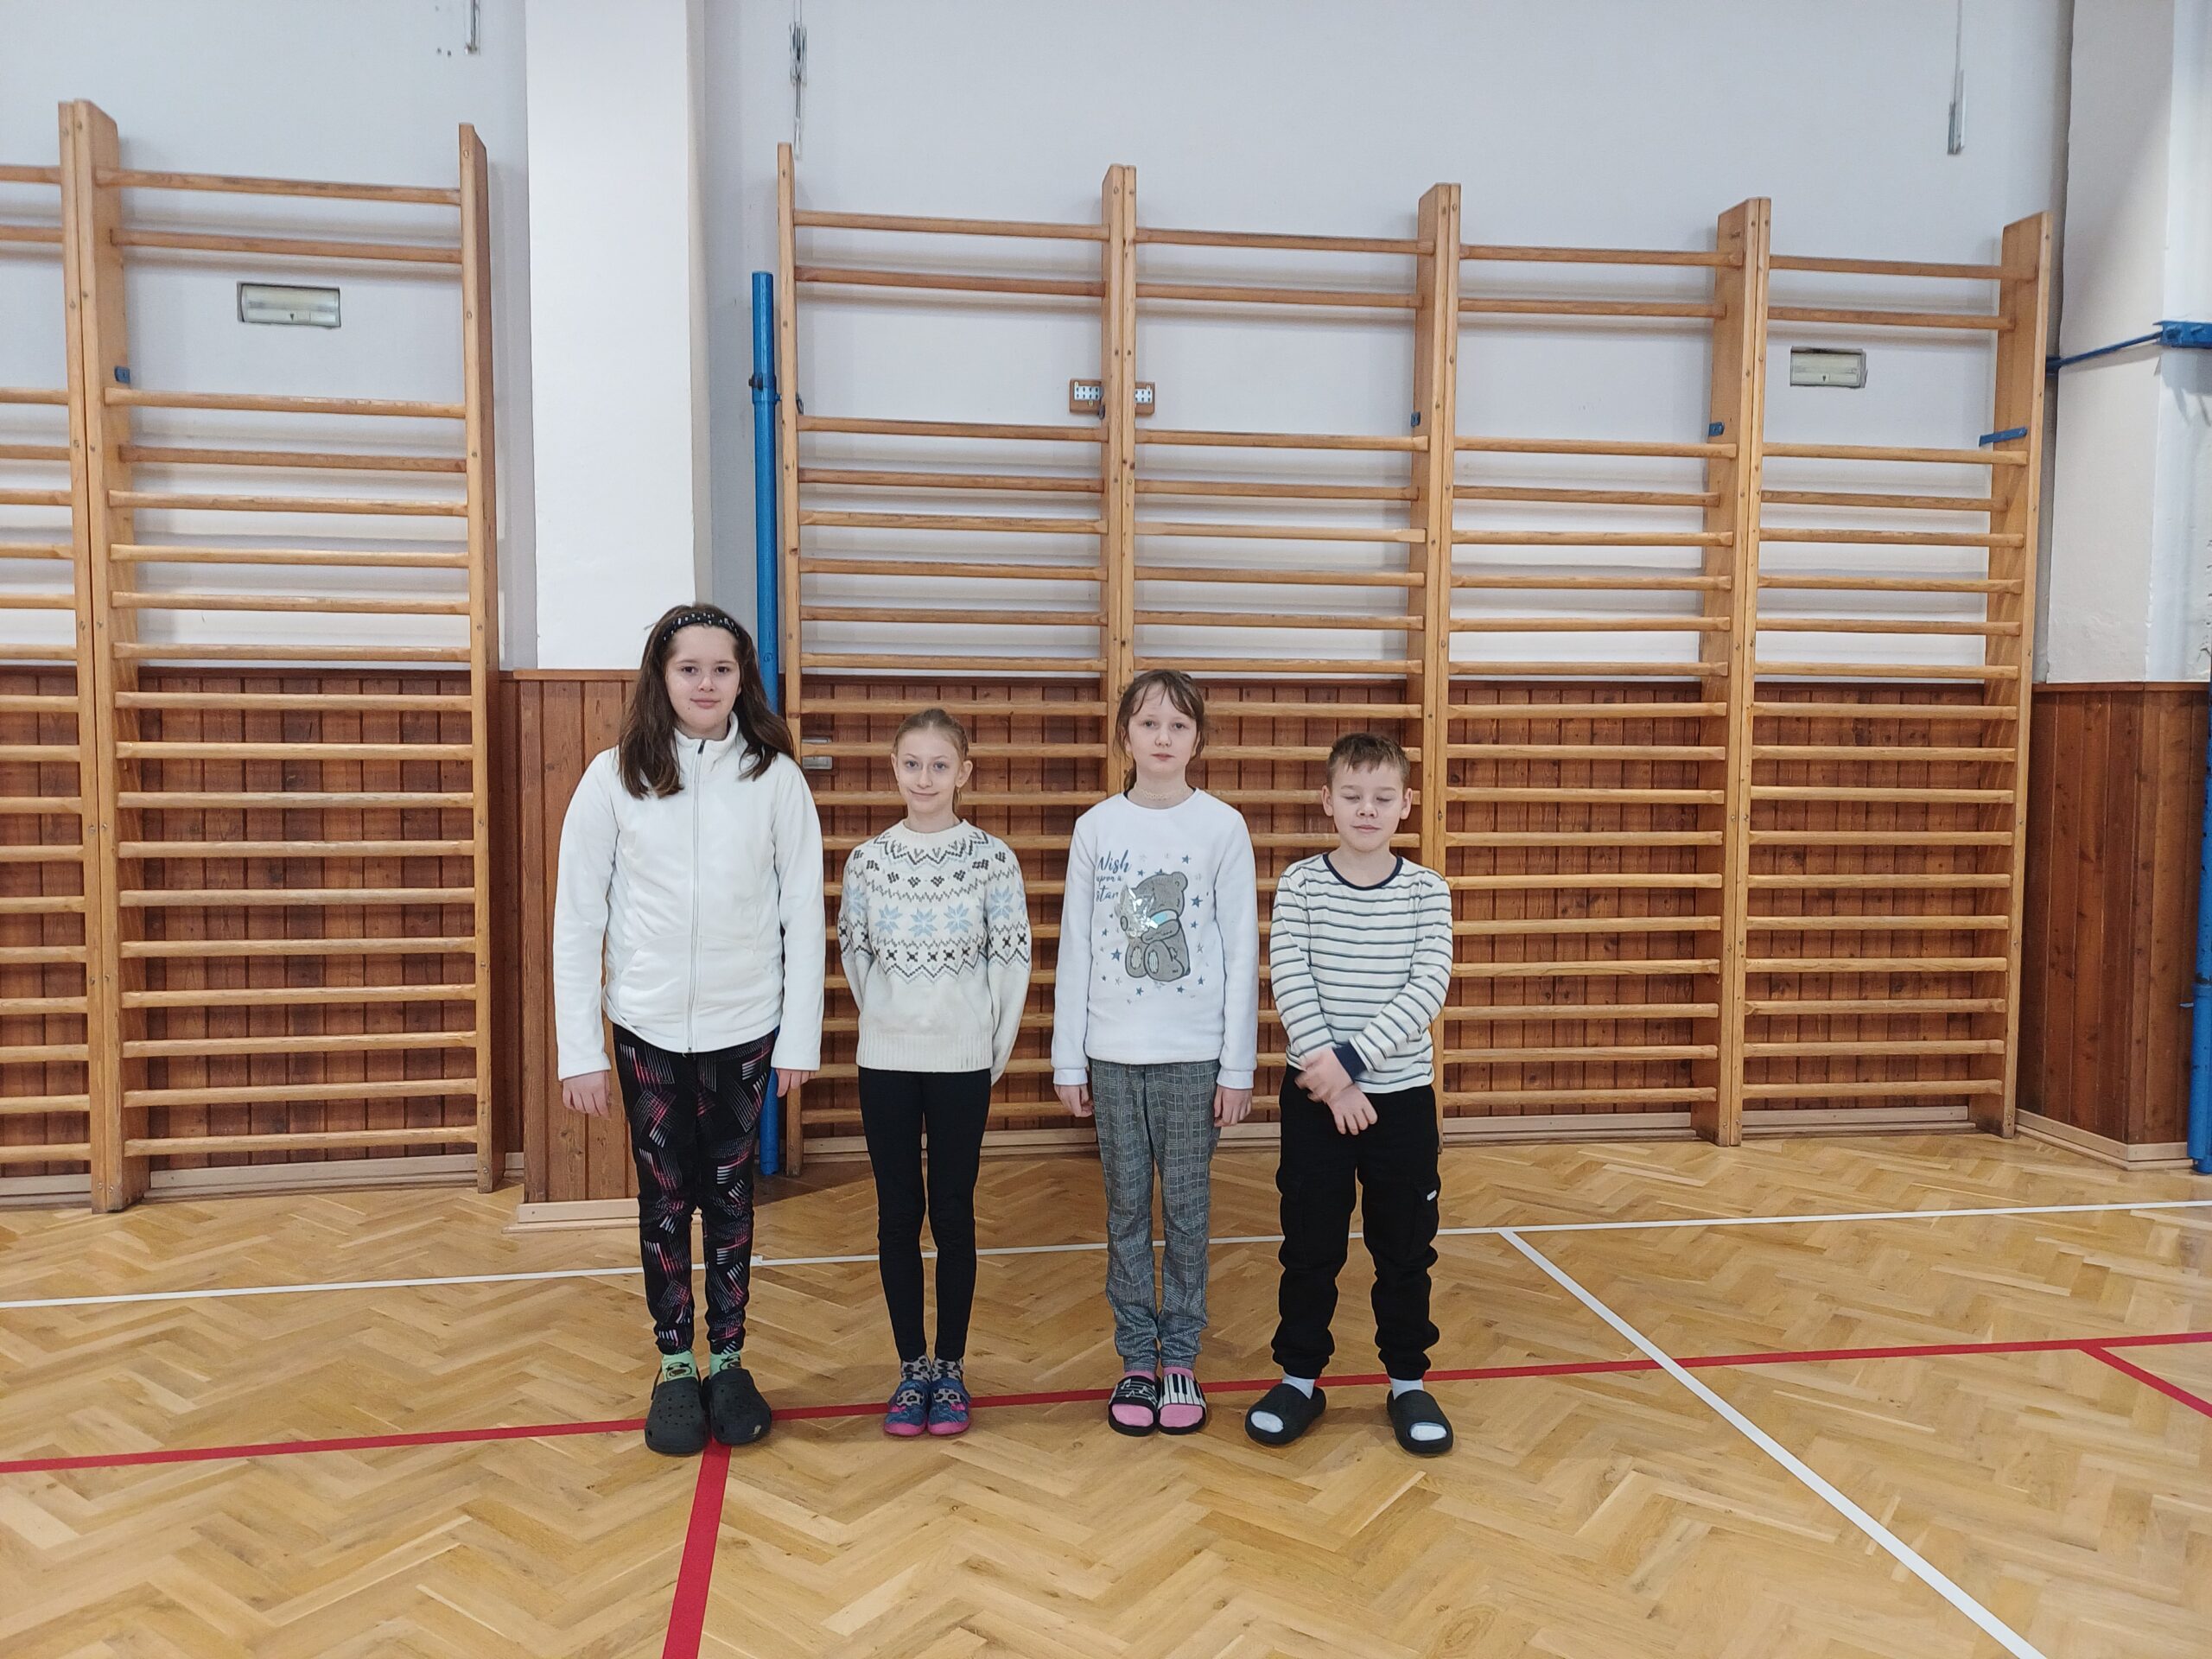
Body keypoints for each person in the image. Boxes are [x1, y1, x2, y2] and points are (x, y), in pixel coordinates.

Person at [553, 603, 823, 1457]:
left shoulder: (775, 779)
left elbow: (803, 913)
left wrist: (800, 1037)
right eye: (689, 669)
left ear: (743, 679)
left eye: (722, 669)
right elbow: (576, 920)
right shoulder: (612, 778)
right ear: (660, 677)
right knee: (666, 1201)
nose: (706, 684)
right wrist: (579, 1049)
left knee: (732, 1200)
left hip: (747, 1028)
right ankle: (676, 1364)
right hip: (647, 1029)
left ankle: (730, 1360)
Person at [1053, 669, 1258, 1437]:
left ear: (1198, 738)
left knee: (1189, 1213)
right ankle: (1136, 1357)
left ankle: (1182, 1359)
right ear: (1126, 736)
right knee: (1126, 1212)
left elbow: (1241, 952)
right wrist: (1069, 1058)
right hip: (1112, 1057)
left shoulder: (1222, 828)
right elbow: (1076, 947)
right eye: (1148, 724)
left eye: (1178, 725)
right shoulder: (1097, 828)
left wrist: (1237, 1067)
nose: (1163, 738)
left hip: (1194, 1059)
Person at [1245, 730, 1455, 1456]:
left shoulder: (1428, 891)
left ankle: (1407, 1382)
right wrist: (1333, 1086)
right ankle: (1299, 1379)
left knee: (1405, 1249)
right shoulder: (1302, 885)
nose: (1368, 809)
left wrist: (1354, 1063)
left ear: (1407, 804)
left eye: (1383, 797)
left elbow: (1427, 987)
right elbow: (1290, 981)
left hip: (1400, 1102)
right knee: (1310, 1246)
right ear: (1327, 801)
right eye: (1353, 796)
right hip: (1316, 1100)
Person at [838, 708, 1032, 1437]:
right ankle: (910, 1366)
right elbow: (857, 958)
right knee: (897, 1215)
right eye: (913, 764)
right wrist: (894, 1025)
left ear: (963, 773)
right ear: (894, 768)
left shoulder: (992, 860)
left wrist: (984, 1053)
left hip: (962, 1066)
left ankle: (950, 1367)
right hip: (886, 1063)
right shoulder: (867, 862)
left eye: (940, 765)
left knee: (952, 1212)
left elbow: (1010, 966)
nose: (925, 778)